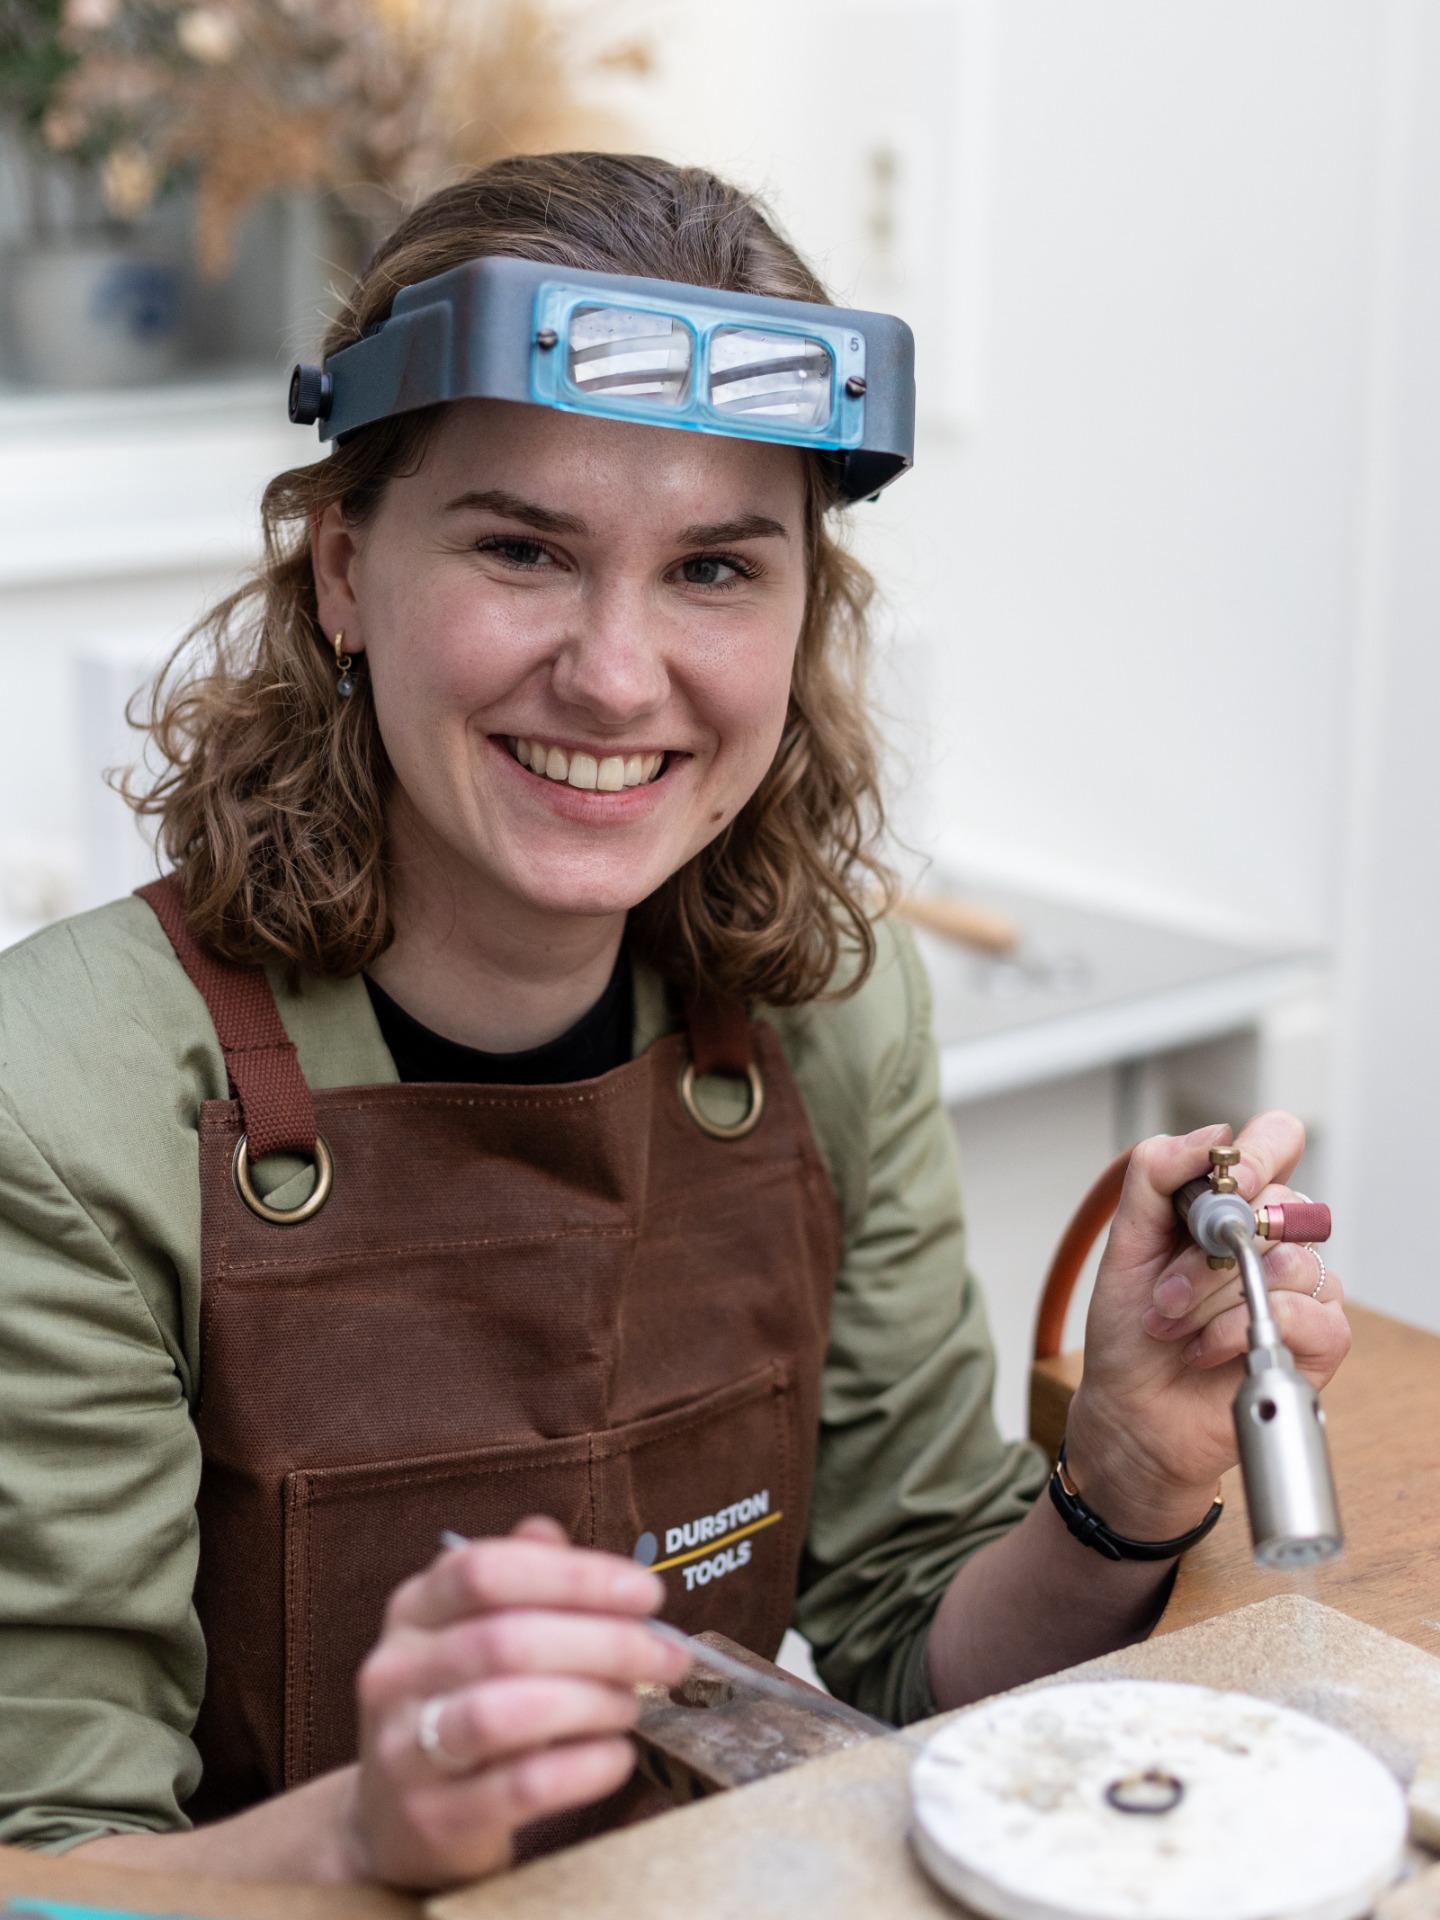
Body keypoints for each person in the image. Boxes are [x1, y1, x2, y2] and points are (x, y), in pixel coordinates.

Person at [0, 152, 1349, 1892]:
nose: (617, 676)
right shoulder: (69, 1096)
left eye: (714, 569)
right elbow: (45, 1857)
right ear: (343, 568)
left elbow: (920, 1650)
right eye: (522, 549)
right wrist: (359, 1839)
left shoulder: (830, 1012)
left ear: (804, 616)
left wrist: (1123, 1485)